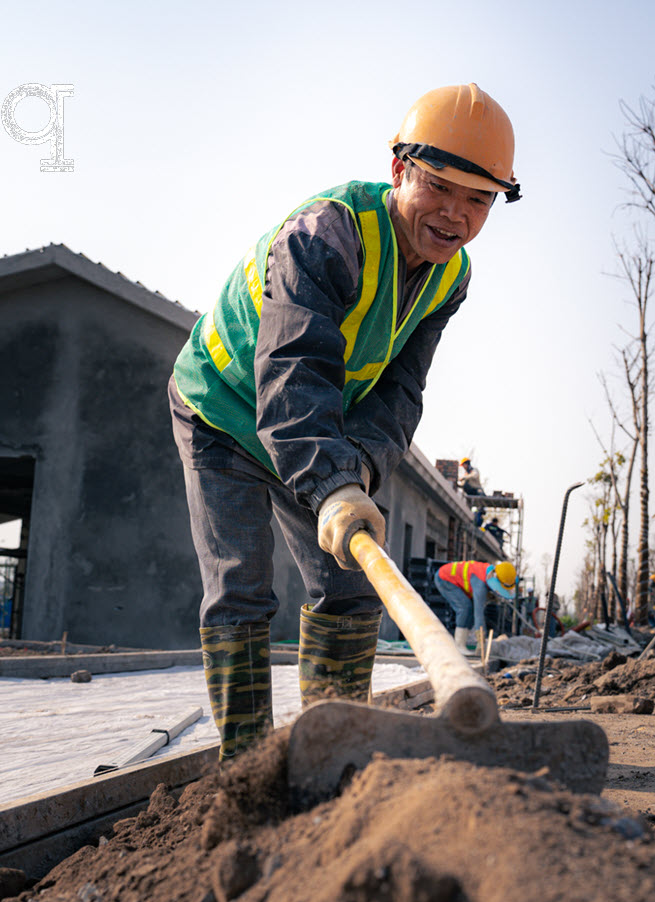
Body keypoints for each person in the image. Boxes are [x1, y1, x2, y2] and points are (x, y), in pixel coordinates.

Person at [167, 84, 521, 759]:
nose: (455, 215)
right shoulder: (327, 233)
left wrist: (355, 471)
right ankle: (249, 764)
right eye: (439, 187)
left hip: (314, 431)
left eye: (479, 199)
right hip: (225, 410)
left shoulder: (453, 275)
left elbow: (399, 390)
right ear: (398, 172)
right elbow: (293, 367)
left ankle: (331, 755)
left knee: (350, 586)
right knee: (241, 585)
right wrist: (329, 480)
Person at [434, 559, 516, 652]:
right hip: (444, 578)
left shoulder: (489, 573)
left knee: (469, 609)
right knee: (464, 607)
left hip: (453, 580)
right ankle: (459, 645)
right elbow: (479, 613)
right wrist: (481, 640)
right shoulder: (480, 583)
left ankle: (462, 642)